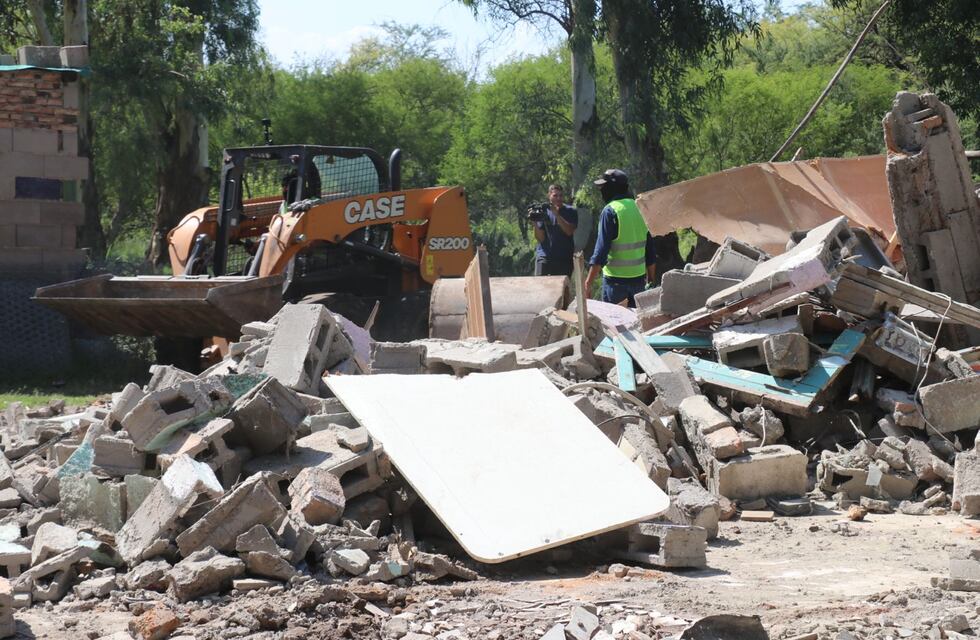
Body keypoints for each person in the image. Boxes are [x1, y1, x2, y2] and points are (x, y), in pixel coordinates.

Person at [585, 169, 656, 307]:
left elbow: (601, 252)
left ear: (611, 188)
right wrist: (651, 280)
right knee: (637, 320)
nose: (601, 190)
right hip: (639, 283)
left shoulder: (610, 211)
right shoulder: (640, 208)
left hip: (615, 284)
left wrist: (588, 283)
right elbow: (650, 250)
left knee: (614, 321)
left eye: (603, 187)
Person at [533, 183, 578, 277]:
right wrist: (535, 222)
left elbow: (569, 231)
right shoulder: (543, 211)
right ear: (549, 195)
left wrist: (556, 214)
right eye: (555, 195)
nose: (558, 198)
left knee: (561, 285)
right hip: (544, 256)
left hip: (564, 258)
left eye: (561, 195)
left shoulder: (571, 211)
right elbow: (540, 238)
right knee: (540, 284)